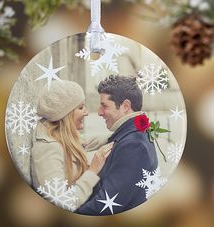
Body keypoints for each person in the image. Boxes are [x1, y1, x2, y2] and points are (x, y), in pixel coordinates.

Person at [76, 75, 158, 215]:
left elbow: (106, 203)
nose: (99, 112)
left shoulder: (133, 145)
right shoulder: (131, 133)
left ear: (125, 106)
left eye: (104, 105)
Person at [30, 80, 113, 212]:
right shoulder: (48, 149)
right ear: (64, 114)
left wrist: (123, 131)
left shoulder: (63, 138)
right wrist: (93, 171)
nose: (86, 113)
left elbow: (87, 140)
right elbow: (61, 203)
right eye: (81, 108)